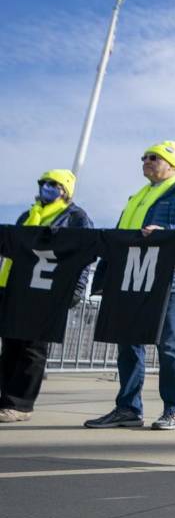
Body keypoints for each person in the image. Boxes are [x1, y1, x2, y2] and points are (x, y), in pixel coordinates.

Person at [84, 141, 175, 431]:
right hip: (132, 281)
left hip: (172, 281)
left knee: (169, 345)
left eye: (154, 157)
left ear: (172, 164)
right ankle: (127, 408)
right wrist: (105, 275)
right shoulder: (137, 197)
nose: (146, 161)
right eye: (144, 157)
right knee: (127, 344)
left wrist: (167, 232)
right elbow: (119, 237)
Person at [0, 170, 93, 422]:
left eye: (54, 184)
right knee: (11, 345)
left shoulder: (75, 217)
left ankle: (21, 404)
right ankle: (5, 399)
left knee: (32, 347)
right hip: (13, 286)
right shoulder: (28, 215)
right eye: (43, 183)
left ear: (66, 190)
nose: (47, 187)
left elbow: (84, 255)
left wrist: (76, 289)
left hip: (46, 289)